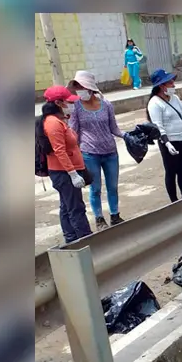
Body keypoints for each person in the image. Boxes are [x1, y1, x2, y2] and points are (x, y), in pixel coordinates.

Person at [67, 70, 127, 230]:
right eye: (77, 87)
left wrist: (127, 136)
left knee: (112, 186)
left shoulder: (106, 105)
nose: (79, 90)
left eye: (81, 86)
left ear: (90, 88)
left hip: (110, 152)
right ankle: (99, 219)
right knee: (95, 188)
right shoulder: (76, 108)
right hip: (89, 154)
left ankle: (115, 215)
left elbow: (114, 128)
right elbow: (73, 132)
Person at [39, 85, 93, 242]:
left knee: (67, 206)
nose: (71, 104)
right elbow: (59, 151)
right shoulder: (53, 123)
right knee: (76, 208)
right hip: (64, 173)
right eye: (68, 102)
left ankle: (71, 238)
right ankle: (85, 238)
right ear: (58, 103)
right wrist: (73, 174)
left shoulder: (60, 120)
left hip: (66, 171)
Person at [147, 69, 182, 202]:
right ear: (161, 86)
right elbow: (158, 126)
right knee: (171, 172)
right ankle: (174, 201)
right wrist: (166, 143)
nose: (173, 85)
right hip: (169, 142)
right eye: (170, 82)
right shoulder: (155, 103)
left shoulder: (175, 98)